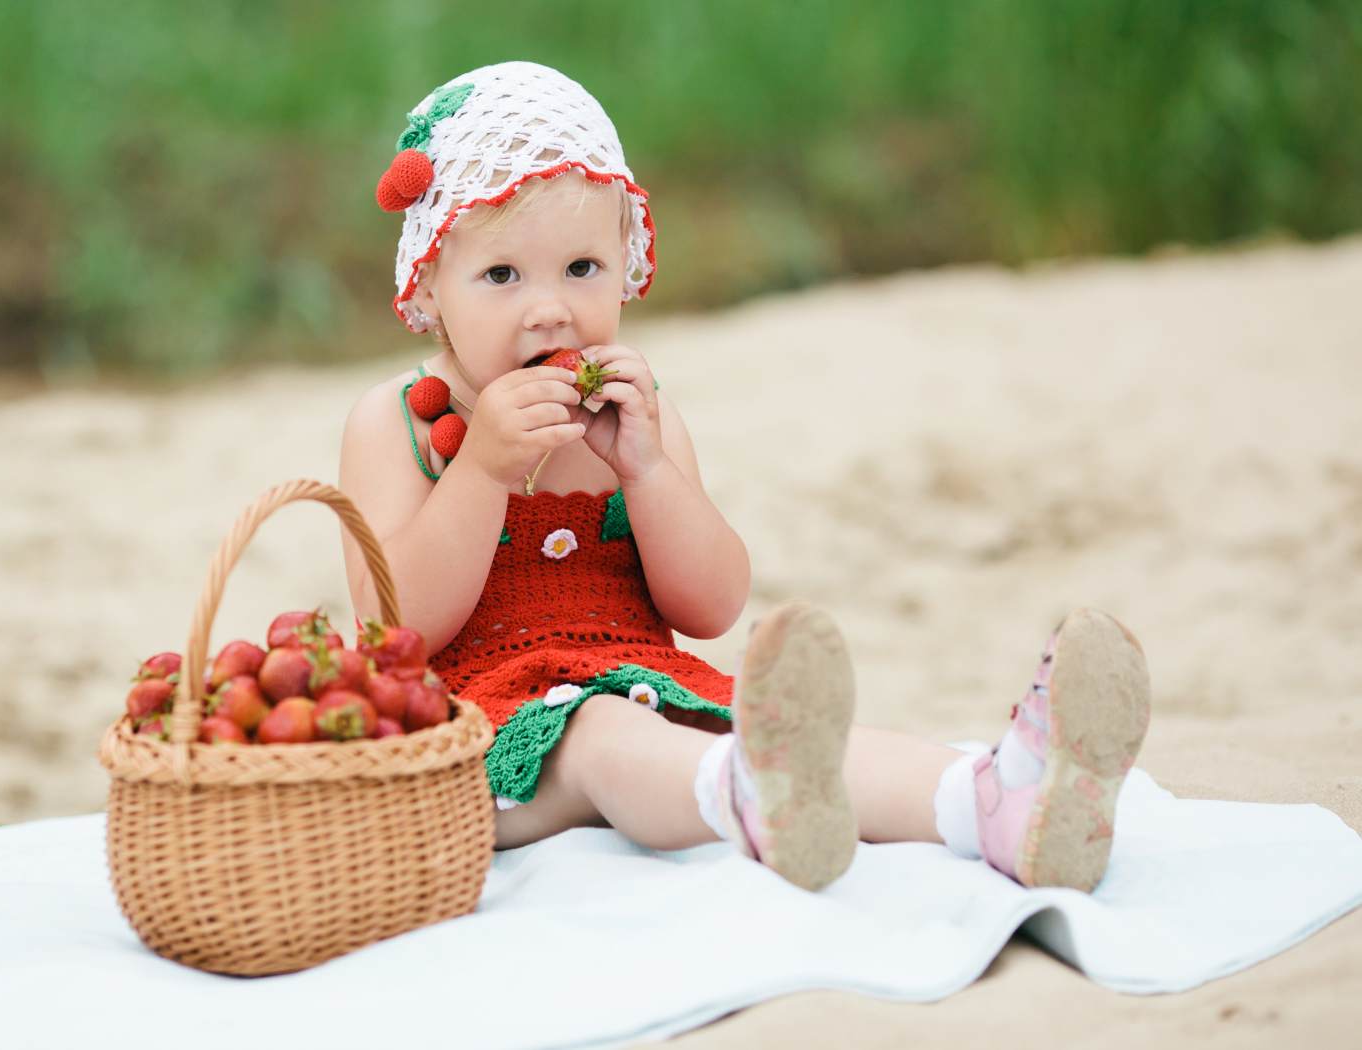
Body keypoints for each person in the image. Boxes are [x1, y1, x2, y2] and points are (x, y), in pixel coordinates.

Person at [339, 62, 1151, 893]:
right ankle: (747, 797)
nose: (549, 309)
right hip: (482, 737)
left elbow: (710, 603)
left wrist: (649, 471)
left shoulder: (635, 412)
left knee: (786, 733)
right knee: (596, 733)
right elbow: (394, 631)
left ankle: (987, 801)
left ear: (625, 266)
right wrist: (481, 471)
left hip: (648, 686)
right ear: (431, 285)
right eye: (502, 276)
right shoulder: (398, 422)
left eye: (581, 269)